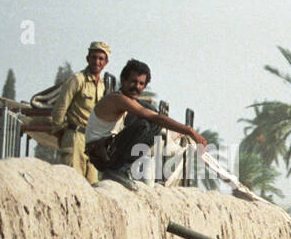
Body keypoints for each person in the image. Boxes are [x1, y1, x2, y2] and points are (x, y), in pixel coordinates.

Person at [84, 58, 206, 188]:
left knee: (154, 124)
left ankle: (123, 169)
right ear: (123, 80)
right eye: (133, 82)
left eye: (141, 84)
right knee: (145, 123)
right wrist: (190, 130)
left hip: (107, 150)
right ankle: (116, 170)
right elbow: (154, 117)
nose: (137, 87)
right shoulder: (117, 99)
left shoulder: (130, 101)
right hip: (100, 152)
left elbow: (156, 117)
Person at [50, 40, 111, 183]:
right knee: (73, 185)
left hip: (94, 141)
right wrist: (63, 135)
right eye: (94, 57)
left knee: (92, 187)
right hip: (75, 138)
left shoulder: (104, 87)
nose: (97, 61)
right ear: (87, 58)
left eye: (101, 59)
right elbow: (59, 110)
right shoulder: (77, 80)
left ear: (106, 62)